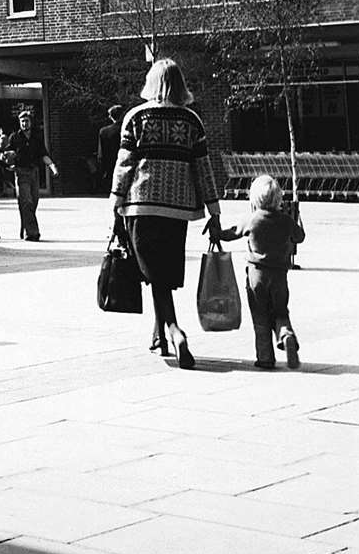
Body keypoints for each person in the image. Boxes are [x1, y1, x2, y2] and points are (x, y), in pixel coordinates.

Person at [112, 58, 221, 371]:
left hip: (141, 205)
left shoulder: (135, 117)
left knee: (152, 273)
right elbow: (203, 169)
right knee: (163, 272)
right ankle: (159, 335)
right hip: (177, 210)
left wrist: (115, 201)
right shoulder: (192, 121)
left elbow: (125, 164)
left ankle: (174, 330)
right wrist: (214, 212)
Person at [215, 175, 305, 370]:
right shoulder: (285, 220)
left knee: (260, 316)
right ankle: (286, 335)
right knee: (281, 312)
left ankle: (265, 358)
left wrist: (217, 233)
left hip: (256, 276)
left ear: (254, 198)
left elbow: (232, 233)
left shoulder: (251, 219)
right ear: (278, 198)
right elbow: (300, 237)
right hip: (280, 276)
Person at [5, 109, 58, 241]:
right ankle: (33, 233)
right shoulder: (14, 137)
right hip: (21, 172)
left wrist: (52, 167)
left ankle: (25, 228)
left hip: (34, 172)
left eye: (26, 121)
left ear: (31, 122)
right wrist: (8, 158)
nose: (24, 124)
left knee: (33, 202)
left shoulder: (37, 137)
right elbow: (6, 154)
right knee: (26, 201)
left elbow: (43, 154)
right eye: (22, 121)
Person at [95, 104, 123, 191]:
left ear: (111, 117)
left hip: (110, 165)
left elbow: (101, 153)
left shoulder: (104, 132)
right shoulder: (127, 129)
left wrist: (102, 169)